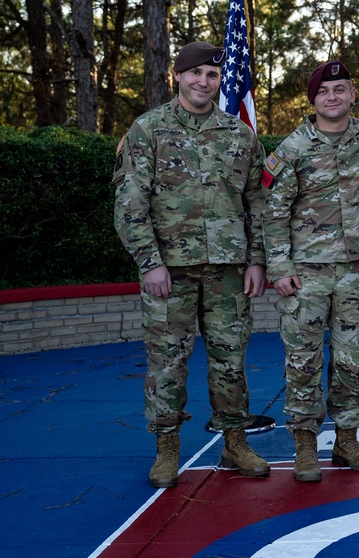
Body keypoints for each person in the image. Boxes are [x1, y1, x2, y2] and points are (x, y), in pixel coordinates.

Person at [113, 41, 270, 488]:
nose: (204, 81)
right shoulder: (148, 130)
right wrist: (149, 263)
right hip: (170, 272)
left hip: (227, 272)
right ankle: (166, 449)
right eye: (195, 73)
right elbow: (130, 204)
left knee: (230, 361)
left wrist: (257, 260)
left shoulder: (240, 135)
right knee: (167, 363)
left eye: (212, 75)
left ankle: (235, 441)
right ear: (178, 76)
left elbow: (258, 203)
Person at [261, 61, 359, 481]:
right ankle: (305, 445)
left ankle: (347, 439)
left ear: (353, 95)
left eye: (340, 89)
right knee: (303, 361)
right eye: (324, 91)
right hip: (306, 274)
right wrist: (278, 266)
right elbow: (273, 212)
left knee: (352, 360)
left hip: (355, 272)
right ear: (312, 100)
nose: (332, 97)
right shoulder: (293, 148)